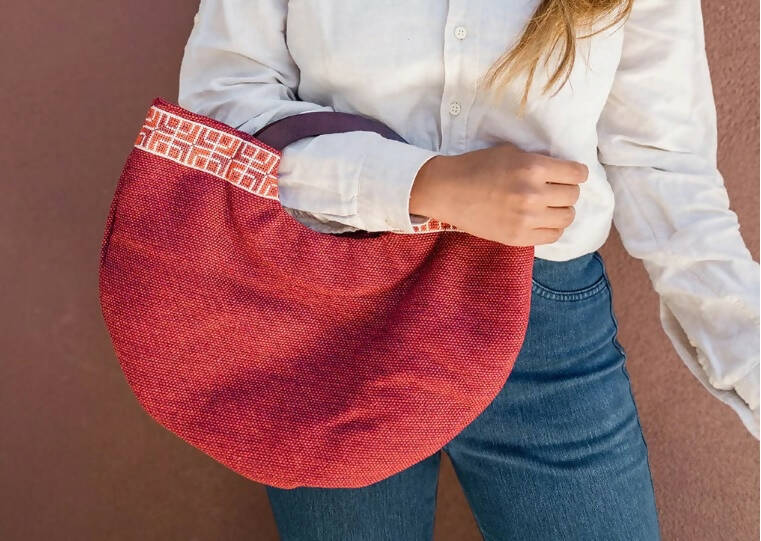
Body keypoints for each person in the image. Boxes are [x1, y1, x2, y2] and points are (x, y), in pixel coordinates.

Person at [177, 0, 759, 538]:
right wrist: (426, 183)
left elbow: (664, 164)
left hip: (547, 330)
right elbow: (223, 105)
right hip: (333, 317)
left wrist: (750, 360)